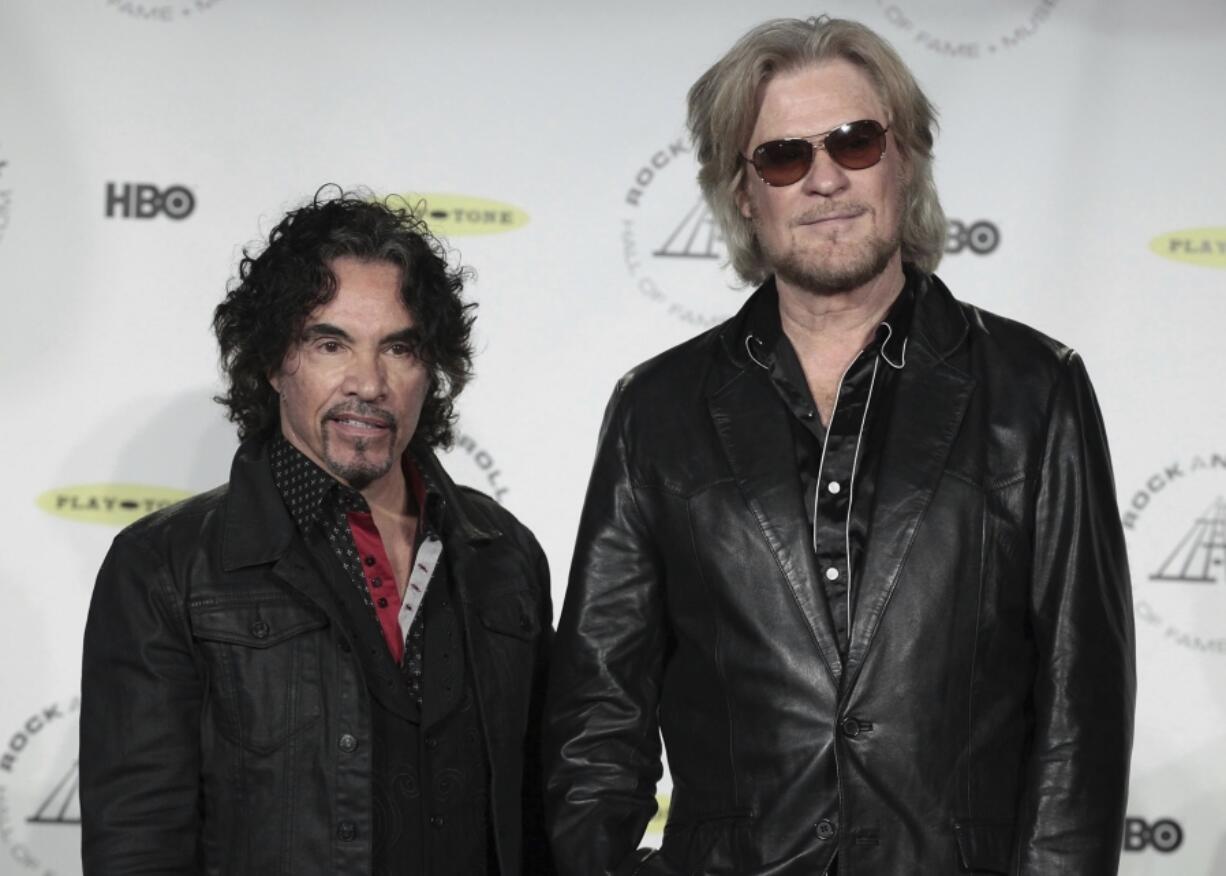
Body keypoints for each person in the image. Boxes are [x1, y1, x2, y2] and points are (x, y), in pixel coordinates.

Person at [544, 16, 1134, 876]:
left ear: (906, 158)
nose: (824, 179)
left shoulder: (1033, 392)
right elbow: (600, 712)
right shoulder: (658, 411)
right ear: (744, 193)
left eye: (855, 143)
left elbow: (1081, 713)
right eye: (783, 157)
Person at [80, 189, 554, 875]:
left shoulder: (503, 553)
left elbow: (540, 817)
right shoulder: (166, 568)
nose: (369, 382)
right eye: (331, 343)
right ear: (274, 362)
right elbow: (138, 844)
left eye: (400, 347)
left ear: (433, 370)